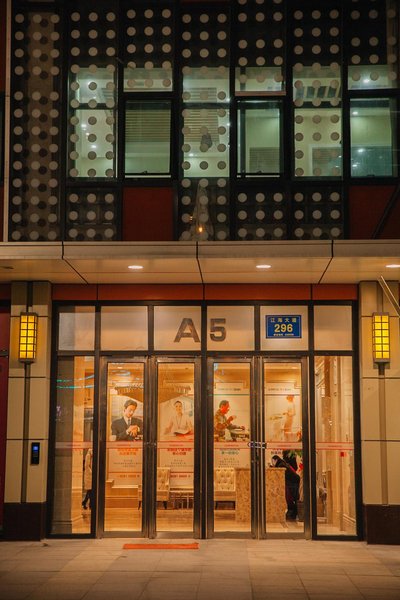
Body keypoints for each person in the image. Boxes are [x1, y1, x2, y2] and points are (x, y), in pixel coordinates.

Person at [271, 453, 300, 520]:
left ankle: (293, 513)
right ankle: (293, 513)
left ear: (276, 460)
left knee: (292, 498)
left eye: (273, 461)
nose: (273, 463)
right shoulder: (283, 463)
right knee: (293, 498)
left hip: (292, 483)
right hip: (294, 482)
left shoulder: (281, 465)